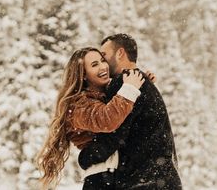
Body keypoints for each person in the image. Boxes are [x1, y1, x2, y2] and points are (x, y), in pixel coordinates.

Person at [78, 34, 183, 189]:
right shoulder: (142, 82)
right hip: (161, 178)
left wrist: (86, 157)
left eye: (104, 56)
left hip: (145, 181)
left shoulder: (125, 83)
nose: (104, 64)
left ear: (120, 53)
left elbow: (113, 135)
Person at [37, 47, 145, 190]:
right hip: (101, 177)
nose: (103, 67)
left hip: (115, 174)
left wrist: (145, 86)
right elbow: (106, 120)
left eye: (102, 61)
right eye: (94, 65)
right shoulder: (78, 105)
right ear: (83, 75)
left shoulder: (104, 96)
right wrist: (130, 88)